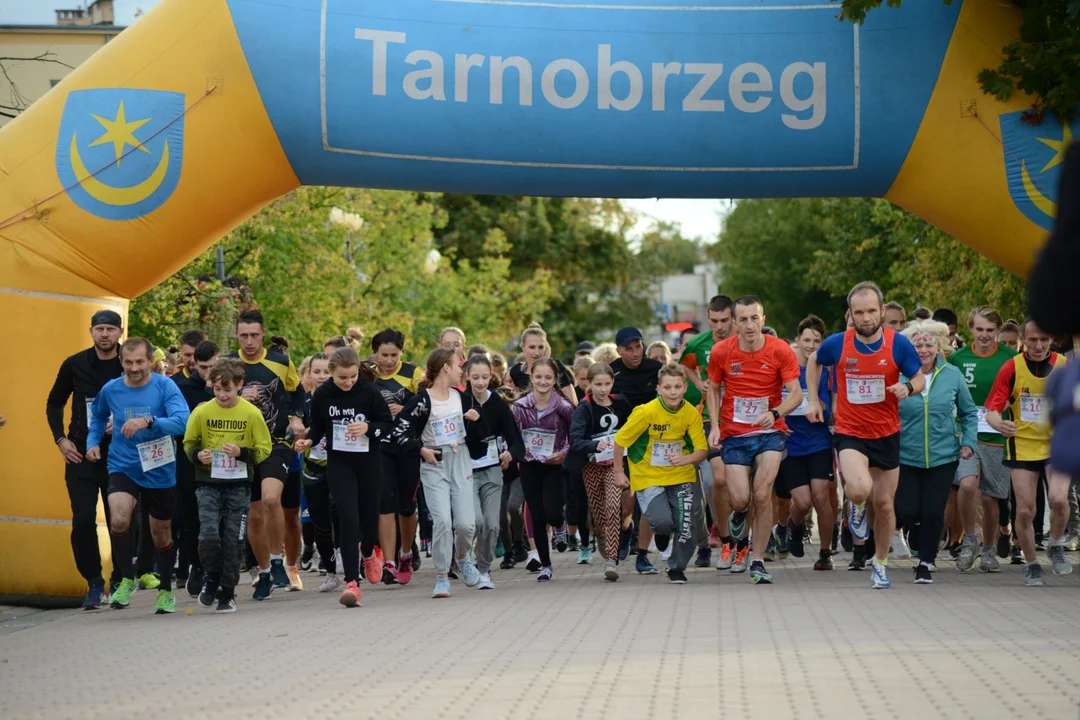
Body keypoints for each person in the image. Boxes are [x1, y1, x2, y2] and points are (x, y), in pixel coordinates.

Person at [806, 281, 925, 590]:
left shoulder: (897, 343)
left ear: (882, 311)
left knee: (885, 505)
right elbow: (813, 360)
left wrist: (907, 387)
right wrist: (813, 400)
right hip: (850, 431)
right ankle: (856, 506)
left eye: (872, 311)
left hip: (887, 433)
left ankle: (881, 564)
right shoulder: (838, 343)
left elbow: (919, 377)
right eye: (859, 312)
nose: (866, 318)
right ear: (851, 314)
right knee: (859, 489)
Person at [86, 338, 190, 614]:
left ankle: (166, 589)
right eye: (128, 362)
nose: (134, 368)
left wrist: (150, 421)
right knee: (119, 518)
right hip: (124, 464)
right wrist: (92, 443)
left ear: (150, 362)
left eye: (140, 362)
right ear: (121, 362)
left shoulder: (165, 386)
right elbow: (97, 417)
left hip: (158, 466)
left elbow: (183, 421)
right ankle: (125, 579)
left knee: (161, 535)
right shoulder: (111, 389)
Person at [706, 296, 802, 585]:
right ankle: (740, 514)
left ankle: (757, 560)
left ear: (763, 318)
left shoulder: (780, 350)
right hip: (735, 434)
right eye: (743, 319)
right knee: (740, 499)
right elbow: (712, 388)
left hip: (770, 432)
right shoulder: (722, 351)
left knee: (762, 494)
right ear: (735, 322)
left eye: (754, 318)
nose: (749, 325)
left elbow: (796, 394)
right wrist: (714, 426)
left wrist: (775, 413)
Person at [295, 347, 393, 607]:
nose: (348, 382)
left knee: (369, 520)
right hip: (339, 463)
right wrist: (308, 441)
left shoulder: (368, 391)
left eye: (351, 376)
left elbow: (386, 423)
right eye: (342, 378)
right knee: (348, 519)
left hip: (369, 462)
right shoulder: (324, 394)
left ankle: (369, 551)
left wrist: (369, 427)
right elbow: (317, 427)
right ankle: (352, 582)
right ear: (331, 374)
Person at [45, 309, 125, 610]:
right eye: (99, 329)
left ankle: (121, 579)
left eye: (110, 329)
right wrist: (60, 440)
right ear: (91, 331)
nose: (105, 335)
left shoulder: (129, 364)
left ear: (120, 332)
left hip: (119, 453)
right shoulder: (74, 364)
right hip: (79, 454)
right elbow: (54, 403)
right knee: (82, 520)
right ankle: (93, 582)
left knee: (122, 519)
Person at [391, 348, 485, 598]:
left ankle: (463, 556)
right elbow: (397, 434)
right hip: (434, 463)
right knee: (442, 521)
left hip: (460, 460)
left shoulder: (462, 398)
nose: (461, 371)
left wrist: (476, 421)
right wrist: (421, 450)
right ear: (445, 367)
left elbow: (480, 438)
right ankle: (442, 576)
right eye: (458, 366)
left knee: (466, 523)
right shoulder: (421, 401)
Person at [984, 319, 1072, 586]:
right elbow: (991, 411)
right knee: (1025, 511)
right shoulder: (1011, 367)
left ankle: (1055, 544)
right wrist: (999, 423)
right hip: (1021, 443)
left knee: (1058, 499)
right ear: (1022, 338)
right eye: (1032, 340)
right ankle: (1032, 564)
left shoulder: (1064, 366)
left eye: (1044, 340)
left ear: (1052, 339)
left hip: (1056, 443)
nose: (1038, 345)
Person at [183, 358, 272, 612]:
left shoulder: (251, 413)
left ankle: (228, 591)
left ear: (239, 385)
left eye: (227, 389)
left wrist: (243, 453)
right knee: (209, 535)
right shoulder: (202, 412)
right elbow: (189, 443)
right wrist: (198, 454)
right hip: (208, 483)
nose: (222, 395)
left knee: (234, 540)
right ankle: (212, 578)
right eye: (217, 389)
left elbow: (264, 448)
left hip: (239, 485)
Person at [229, 310, 306, 600]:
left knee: (273, 499)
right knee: (254, 515)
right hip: (240, 447)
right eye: (243, 336)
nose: (249, 341)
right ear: (237, 336)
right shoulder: (229, 364)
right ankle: (263, 572)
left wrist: (297, 417)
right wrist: (237, 398)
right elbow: (214, 400)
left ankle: (277, 561)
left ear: (263, 334)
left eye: (254, 335)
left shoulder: (281, 361)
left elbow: (297, 393)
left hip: (275, 443)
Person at [895, 320, 978, 584]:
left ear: (938, 346)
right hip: (906, 454)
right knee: (906, 509)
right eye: (917, 345)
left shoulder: (952, 374)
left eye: (928, 344)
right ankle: (913, 531)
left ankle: (925, 563)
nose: (923, 349)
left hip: (944, 456)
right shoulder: (898, 376)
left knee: (933, 511)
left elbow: (968, 412)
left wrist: (969, 442)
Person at [613, 364, 708, 584]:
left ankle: (676, 567)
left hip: (681, 473)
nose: (672, 392)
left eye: (677, 386)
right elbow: (620, 441)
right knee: (662, 522)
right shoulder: (646, 412)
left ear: (685, 387)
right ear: (658, 388)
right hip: (649, 475)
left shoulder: (691, 413)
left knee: (686, 524)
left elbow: (702, 450)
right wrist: (619, 472)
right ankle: (662, 532)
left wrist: (686, 459)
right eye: (667, 387)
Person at [947, 307, 1017, 572]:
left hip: (998, 436)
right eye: (979, 330)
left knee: (990, 499)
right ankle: (970, 541)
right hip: (967, 434)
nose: (985, 335)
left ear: (997, 331)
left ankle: (988, 551)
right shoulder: (957, 358)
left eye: (990, 330)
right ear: (971, 329)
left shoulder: (1010, 358)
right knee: (966, 486)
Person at [776, 315, 837, 571]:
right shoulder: (785, 370)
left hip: (819, 441)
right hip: (792, 442)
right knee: (802, 502)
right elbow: (774, 402)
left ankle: (825, 552)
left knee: (821, 497)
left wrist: (821, 405)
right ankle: (794, 525)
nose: (811, 345)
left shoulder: (827, 370)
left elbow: (833, 409)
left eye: (817, 341)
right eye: (807, 340)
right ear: (797, 340)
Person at [679, 295, 735, 569]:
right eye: (714, 321)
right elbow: (685, 366)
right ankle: (725, 539)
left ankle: (747, 538)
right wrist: (698, 382)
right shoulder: (698, 344)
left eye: (725, 320)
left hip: (742, 421)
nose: (720, 326)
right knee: (715, 483)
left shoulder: (745, 340)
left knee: (747, 488)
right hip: (708, 421)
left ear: (733, 317)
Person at [511, 357, 576, 582]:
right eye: (538, 377)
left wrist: (564, 453)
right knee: (537, 516)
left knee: (553, 512)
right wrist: (517, 450)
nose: (543, 381)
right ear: (532, 377)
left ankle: (560, 524)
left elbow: (575, 435)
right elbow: (511, 435)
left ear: (554, 379)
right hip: (529, 466)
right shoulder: (520, 406)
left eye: (548, 377)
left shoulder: (563, 406)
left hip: (553, 465)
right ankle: (546, 566)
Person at [463, 355, 524, 589]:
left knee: (491, 524)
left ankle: (484, 569)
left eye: (485, 377)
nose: (480, 382)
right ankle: (464, 557)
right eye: (475, 377)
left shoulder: (497, 403)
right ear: (467, 376)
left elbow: (516, 440)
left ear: (492, 376)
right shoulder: (460, 401)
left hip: (491, 471)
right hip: (466, 470)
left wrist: (511, 454)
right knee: (474, 522)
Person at [370, 328, 426, 584]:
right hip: (380, 447)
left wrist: (404, 409)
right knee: (384, 502)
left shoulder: (412, 373)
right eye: (384, 355)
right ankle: (389, 563)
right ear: (374, 353)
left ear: (402, 353)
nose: (389, 360)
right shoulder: (368, 375)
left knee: (406, 506)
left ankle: (406, 553)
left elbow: (427, 403)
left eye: (394, 354)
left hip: (407, 447)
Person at [569, 362, 632, 579]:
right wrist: (594, 445)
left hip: (615, 466)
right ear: (589, 384)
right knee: (599, 514)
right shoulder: (584, 408)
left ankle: (611, 562)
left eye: (607, 383)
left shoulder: (621, 403)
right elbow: (575, 440)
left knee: (614, 507)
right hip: (592, 466)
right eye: (598, 384)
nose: (603, 389)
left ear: (613, 383)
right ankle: (602, 536)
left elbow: (633, 426)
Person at [171, 338, 216, 596]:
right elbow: (176, 427)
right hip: (189, 462)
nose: (208, 373)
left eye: (213, 366)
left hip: (220, 464)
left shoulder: (229, 387)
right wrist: (193, 416)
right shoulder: (183, 388)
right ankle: (194, 567)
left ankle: (214, 570)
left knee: (217, 521)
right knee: (190, 521)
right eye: (203, 367)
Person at [508, 323, 578, 406]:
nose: (537, 353)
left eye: (541, 347)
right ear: (523, 347)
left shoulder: (557, 368)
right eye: (532, 347)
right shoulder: (516, 371)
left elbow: (573, 405)